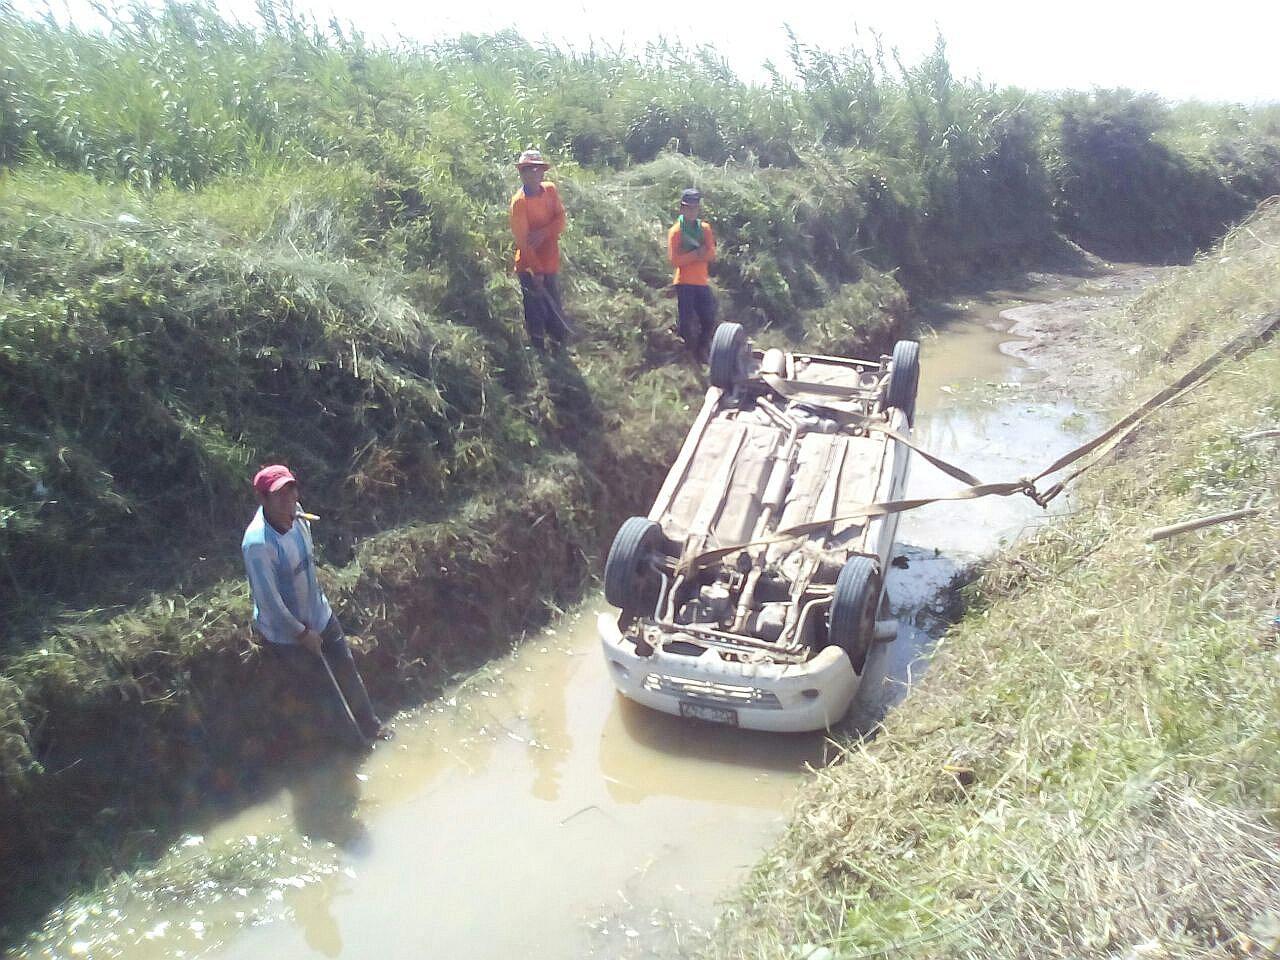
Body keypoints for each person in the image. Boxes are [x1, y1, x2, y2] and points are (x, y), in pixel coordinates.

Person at [241, 464, 390, 742]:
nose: (289, 499)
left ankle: (371, 727)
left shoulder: (299, 517)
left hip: (319, 613)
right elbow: (269, 602)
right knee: (325, 690)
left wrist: (316, 620)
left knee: (347, 671)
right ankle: (350, 746)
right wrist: (301, 633)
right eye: (279, 495)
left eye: (292, 490)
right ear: (263, 500)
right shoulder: (258, 545)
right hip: (288, 632)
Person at [509, 148, 571, 353]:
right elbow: (523, 242)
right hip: (529, 266)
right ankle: (538, 350)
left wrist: (544, 232)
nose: (532, 173)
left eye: (536, 169)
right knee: (535, 308)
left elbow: (561, 220)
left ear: (542, 172)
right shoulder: (519, 203)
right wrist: (536, 271)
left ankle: (559, 346)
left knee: (553, 304)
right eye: (527, 169)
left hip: (550, 260)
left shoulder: (550, 190)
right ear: (522, 173)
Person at [667, 187, 717, 362]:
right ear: (682, 208)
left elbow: (712, 254)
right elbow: (674, 261)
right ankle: (687, 354)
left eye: (694, 208)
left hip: (701, 282)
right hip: (684, 282)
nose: (691, 211)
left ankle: (702, 349)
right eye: (688, 208)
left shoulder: (705, 229)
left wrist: (694, 255)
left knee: (709, 319)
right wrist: (696, 255)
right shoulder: (676, 232)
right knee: (686, 321)